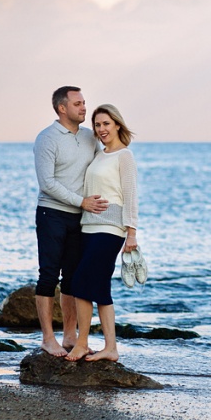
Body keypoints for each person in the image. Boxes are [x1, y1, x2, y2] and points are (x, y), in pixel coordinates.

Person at [33, 86, 108, 357]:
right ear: (62, 108)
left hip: (81, 218)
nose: (84, 107)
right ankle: (47, 339)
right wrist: (81, 201)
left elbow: (103, 165)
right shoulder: (47, 138)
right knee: (48, 275)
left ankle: (69, 336)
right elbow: (47, 183)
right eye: (77, 104)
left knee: (73, 278)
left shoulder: (89, 137)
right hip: (51, 214)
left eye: (84, 102)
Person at [66, 103, 139, 362]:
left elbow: (130, 195)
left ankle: (82, 343)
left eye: (106, 123)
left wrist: (131, 233)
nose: (101, 129)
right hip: (88, 227)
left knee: (81, 282)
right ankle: (111, 348)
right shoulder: (99, 154)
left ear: (117, 124)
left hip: (110, 229)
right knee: (99, 287)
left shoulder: (124, 156)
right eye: (97, 125)